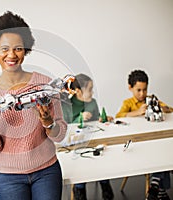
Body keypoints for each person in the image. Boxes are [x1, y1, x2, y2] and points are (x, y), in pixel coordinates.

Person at [0, 11, 67, 200]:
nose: (11, 55)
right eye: (4, 49)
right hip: (8, 177)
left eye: (18, 48)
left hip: (46, 171)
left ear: (26, 49)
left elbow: (60, 135)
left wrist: (48, 122)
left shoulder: (45, 85)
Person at [116, 69, 172, 200]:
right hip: (138, 142)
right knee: (159, 154)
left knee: (162, 151)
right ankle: (160, 189)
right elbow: (118, 116)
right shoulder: (128, 103)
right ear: (130, 88)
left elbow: (170, 110)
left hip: (154, 137)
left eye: (145, 90)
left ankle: (155, 185)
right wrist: (136, 112)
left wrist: (161, 107)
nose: (142, 94)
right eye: (139, 90)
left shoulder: (151, 99)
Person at [61, 73, 114, 200]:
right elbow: (65, 126)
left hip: (93, 140)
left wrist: (101, 119)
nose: (92, 92)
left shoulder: (92, 102)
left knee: (101, 157)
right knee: (80, 161)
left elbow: (96, 121)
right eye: (89, 89)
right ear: (78, 91)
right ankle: (79, 188)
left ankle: (105, 183)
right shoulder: (67, 104)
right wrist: (80, 118)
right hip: (76, 143)